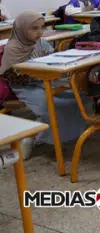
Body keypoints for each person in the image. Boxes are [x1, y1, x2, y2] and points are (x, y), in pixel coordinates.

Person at [0, 12, 88, 158]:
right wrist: (37, 71)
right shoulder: (13, 48)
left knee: (78, 97)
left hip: (46, 81)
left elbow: (52, 57)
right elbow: (14, 76)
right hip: (26, 87)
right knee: (50, 106)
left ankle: (54, 136)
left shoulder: (41, 42)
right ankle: (34, 136)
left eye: (42, 28)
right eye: (34, 29)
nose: (40, 32)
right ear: (21, 28)